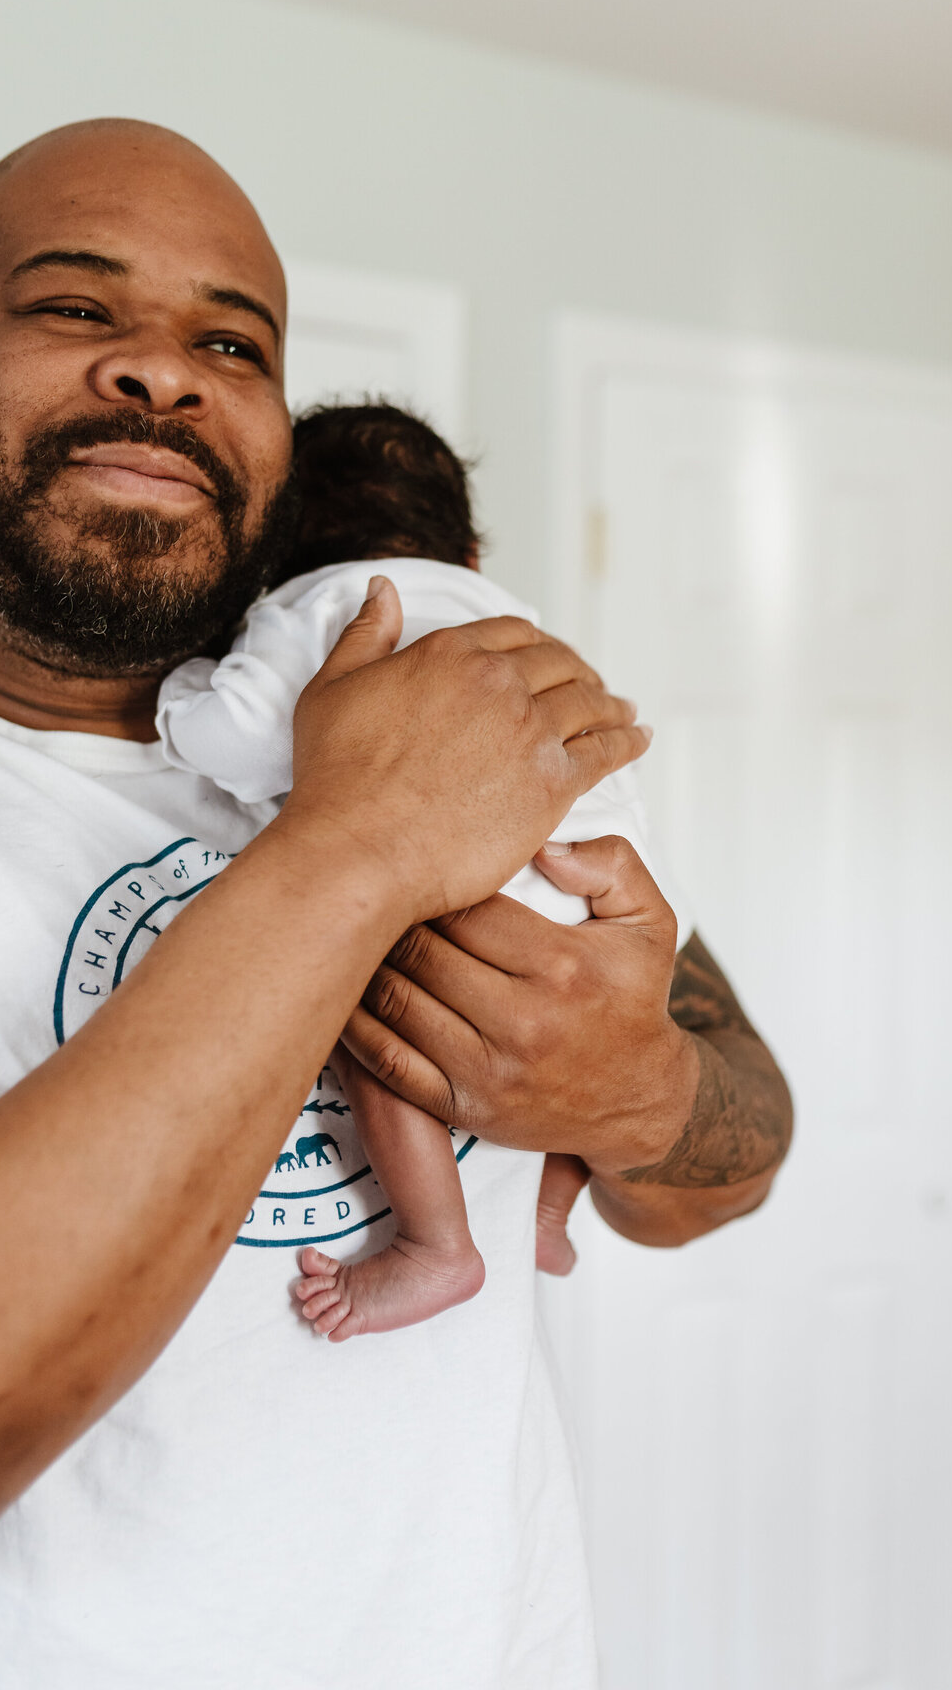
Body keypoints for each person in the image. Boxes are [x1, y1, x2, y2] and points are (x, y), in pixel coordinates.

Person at [0, 119, 792, 1690]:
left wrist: (646, 1090)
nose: (164, 370)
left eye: (232, 339)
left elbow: (730, 1160)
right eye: (76, 309)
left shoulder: (447, 713)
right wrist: (352, 852)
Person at [157, 398, 664, 1338]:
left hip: (468, 880)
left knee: (377, 1027)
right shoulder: (512, 615)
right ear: (468, 553)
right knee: (594, 1042)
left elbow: (235, 741)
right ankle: (547, 1212)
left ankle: (439, 1243)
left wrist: (186, 686)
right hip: (596, 879)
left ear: (272, 552)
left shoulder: (311, 608)